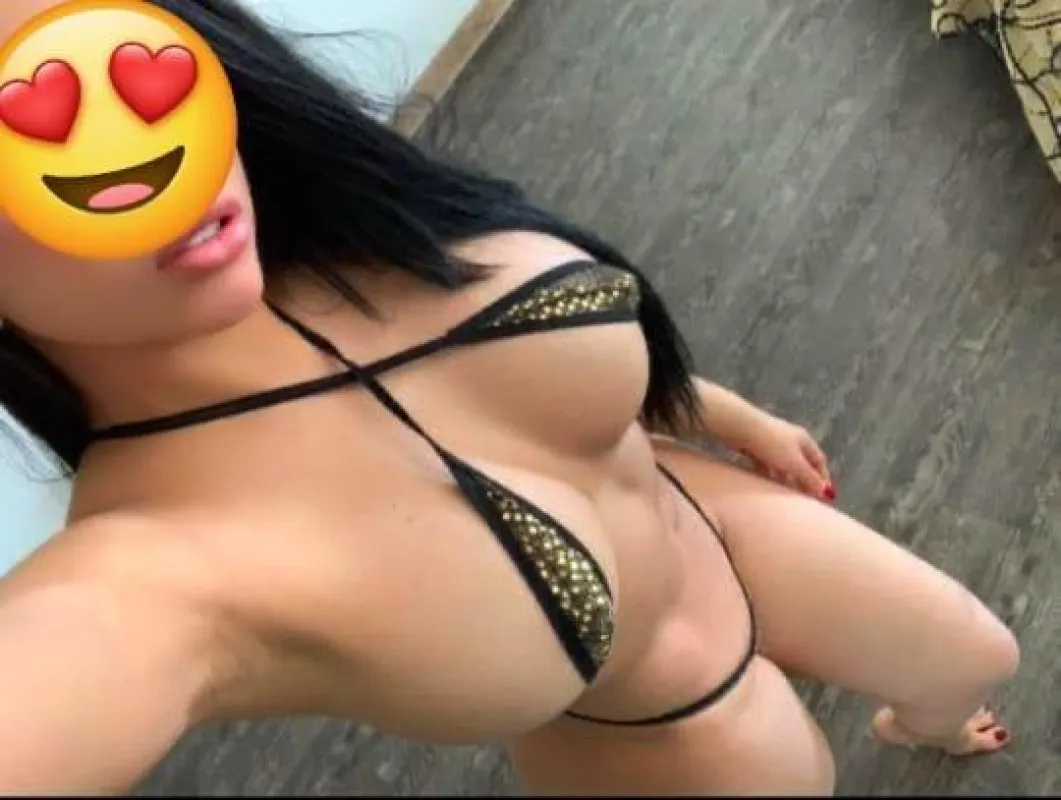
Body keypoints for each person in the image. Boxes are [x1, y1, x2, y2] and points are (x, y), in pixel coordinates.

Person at [0, 0, 1019, 794]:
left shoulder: (331, 223)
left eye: (121, 61)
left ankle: (920, 727)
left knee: (976, 654)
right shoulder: (155, 568)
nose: (139, 150)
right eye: (29, 128)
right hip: (666, 728)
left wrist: (727, 416)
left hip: (718, 523)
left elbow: (536, 375)